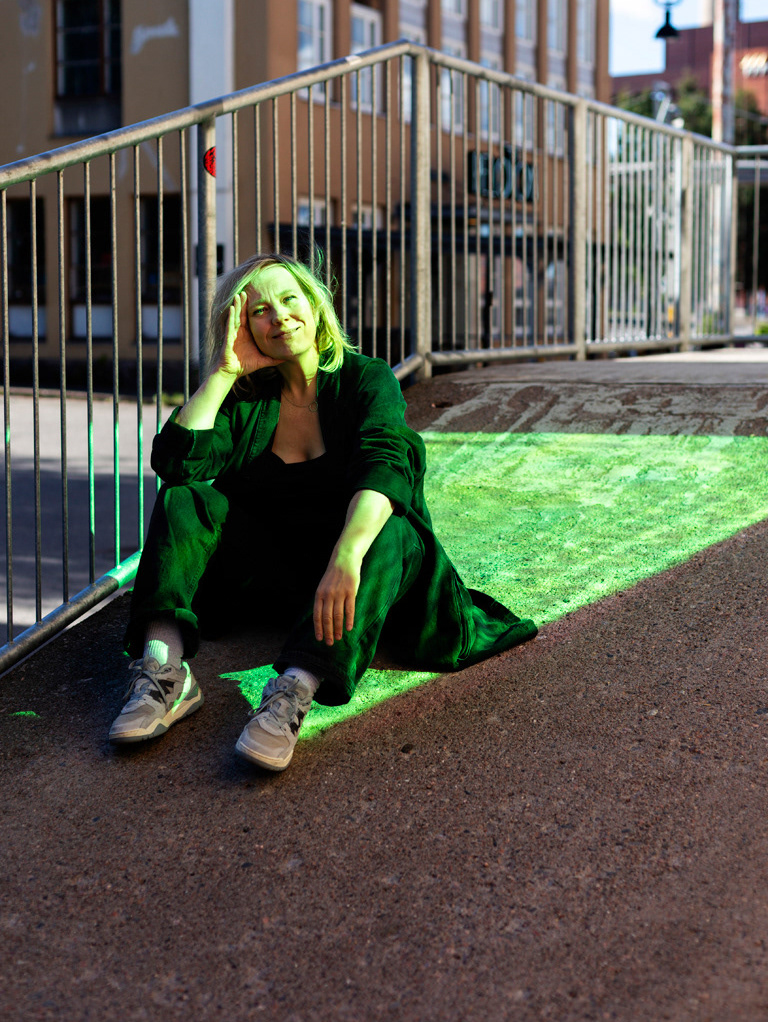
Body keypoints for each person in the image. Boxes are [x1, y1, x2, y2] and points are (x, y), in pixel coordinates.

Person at [108, 253, 537, 770]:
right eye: (259, 310)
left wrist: (347, 555)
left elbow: (386, 465)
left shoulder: (365, 379)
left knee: (392, 528)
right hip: (277, 580)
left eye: (290, 299)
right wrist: (222, 374)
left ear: (315, 307)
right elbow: (178, 465)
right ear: (241, 327)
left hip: (361, 573)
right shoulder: (246, 397)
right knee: (186, 496)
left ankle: (294, 688)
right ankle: (164, 670)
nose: (279, 317)